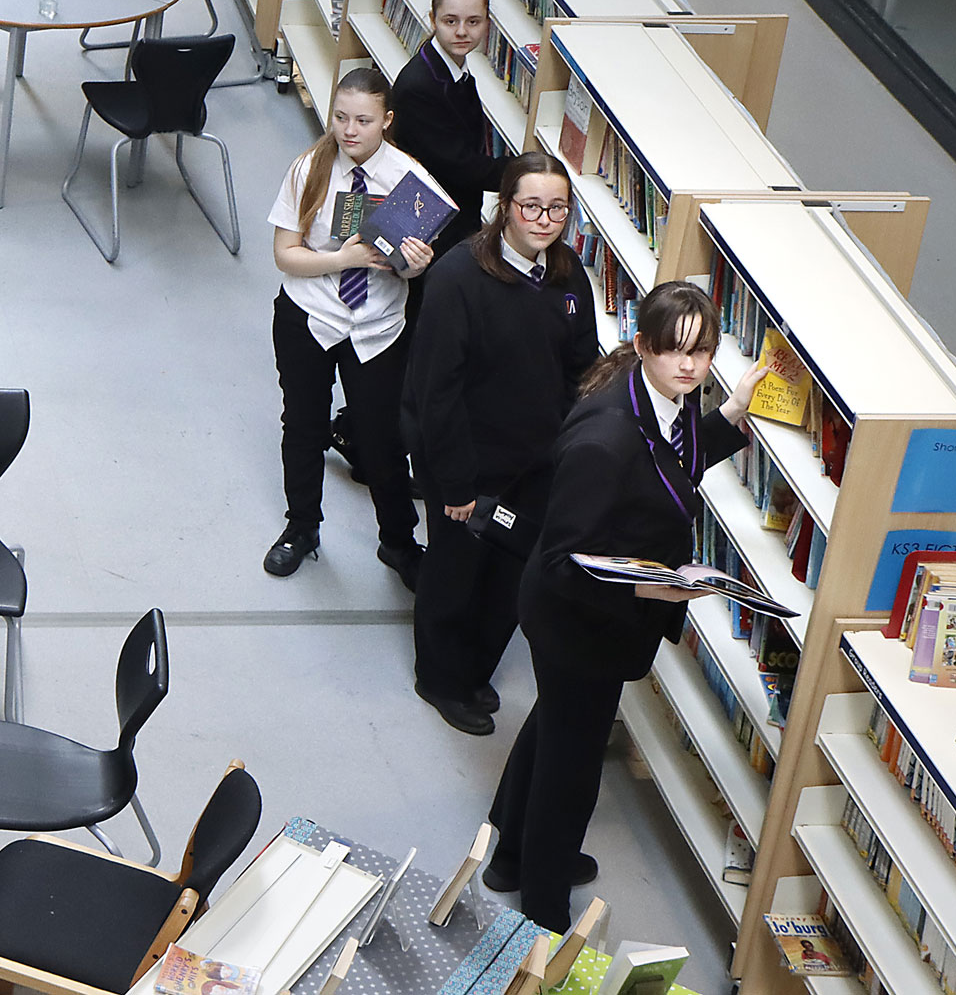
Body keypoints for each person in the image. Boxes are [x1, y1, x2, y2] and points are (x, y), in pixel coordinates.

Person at [486, 281, 767, 932]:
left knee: (553, 726)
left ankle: (510, 857)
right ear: (643, 345)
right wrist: (652, 589)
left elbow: (669, 461)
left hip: (593, 618)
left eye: (701, 351)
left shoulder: (659, 400)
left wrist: (729, 416)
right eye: (674, 350)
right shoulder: (605, 440)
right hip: (577, 623)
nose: (689, 366)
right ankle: (543, 907)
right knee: (573, 767)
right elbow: (562, 565)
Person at [402, 152, 597, 736]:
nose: (544, 220)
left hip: (534, 464)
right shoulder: (458, 277)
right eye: (531, 206)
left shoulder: (568, 274)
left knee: (509, 577)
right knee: (455, 574)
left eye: (557, 208)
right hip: (465, 462)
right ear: (505, 206)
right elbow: (437, 392)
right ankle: (440, 680)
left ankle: (473, 672)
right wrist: (456, 485)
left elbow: (580, 368)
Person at [265, 66, 440, 586]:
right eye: (340, 117)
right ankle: (301, 528)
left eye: (362, 120)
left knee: (383, 440)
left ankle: (399, 542)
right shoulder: (309, 168)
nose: (348, 130)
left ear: (386, 120)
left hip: (376, 328)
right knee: (303, 426)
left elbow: (409, 269)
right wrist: (343, 259)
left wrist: (416, 265)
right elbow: (285, 255)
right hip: (310, 316)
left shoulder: (411, 181)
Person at [389, 0, 508, 299]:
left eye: (473, 21)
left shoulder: (452, 69)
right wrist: (521, 173)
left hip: (451, 212)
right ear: (433, 19)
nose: (461, 31)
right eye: (450, 21)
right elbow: (458, 164)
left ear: (487, 24)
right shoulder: (420, 86)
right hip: (431, 224)